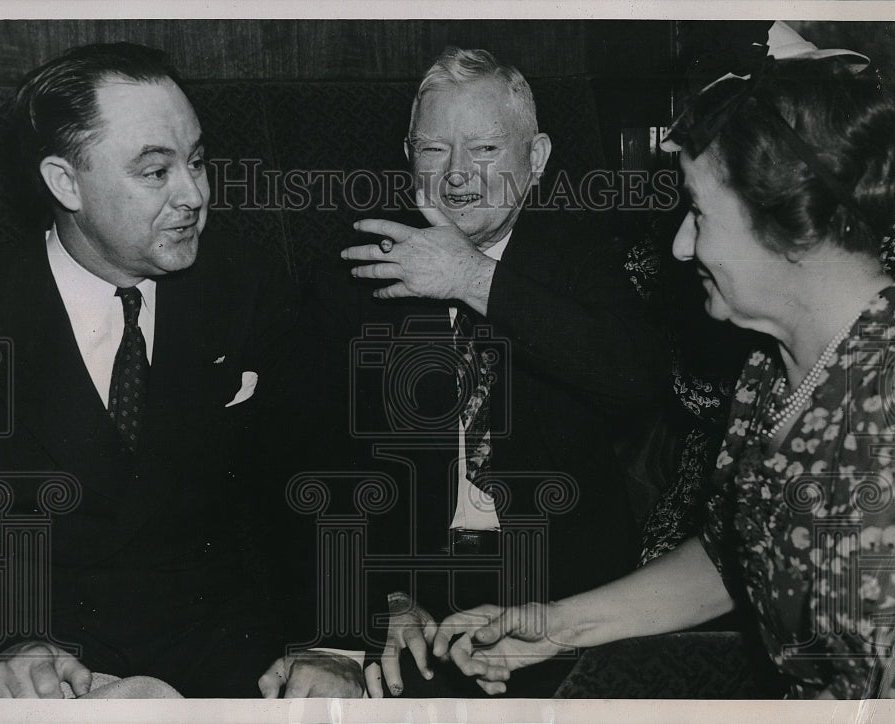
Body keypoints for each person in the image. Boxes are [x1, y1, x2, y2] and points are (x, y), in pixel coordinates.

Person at [427, 22, 895, 699]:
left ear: (784, 222)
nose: (682, 247)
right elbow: (729, 556)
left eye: (698, 214)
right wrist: (561, 625)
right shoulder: (769, 372)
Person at [266, 47, 669, 698]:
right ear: (407, 154)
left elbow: (636, 376)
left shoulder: (578, 261)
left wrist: (473, 280)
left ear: (534, 160)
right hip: (409, 593)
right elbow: (306, 465)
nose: (456, 177)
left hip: (563, 594)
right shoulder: (360, 270)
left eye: (483, 150)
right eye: (433, 150)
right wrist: (381, 602)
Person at [0, 42, 341, 698]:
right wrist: (0, 639)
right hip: (47, 670)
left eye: (196, 161)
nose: (194, 194)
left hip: (236, 660)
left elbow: (322, 475)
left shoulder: (250, 287)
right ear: (64, 182)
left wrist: (334, 640)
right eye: (155, 171)